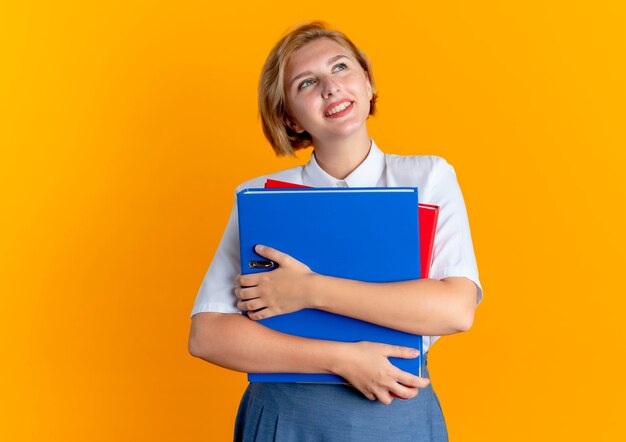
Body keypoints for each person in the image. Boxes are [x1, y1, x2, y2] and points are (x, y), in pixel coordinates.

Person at [189, 21, 482, 441]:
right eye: (307, 82)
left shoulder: (427, 177)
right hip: (282, 419)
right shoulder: (260, 196)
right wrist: (341, 358)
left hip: (395, 416)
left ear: (368, 81)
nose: (330, 87)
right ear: (289, 117)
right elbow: (207, 335)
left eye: (341, 67)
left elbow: (455, 310)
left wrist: (308, 290)